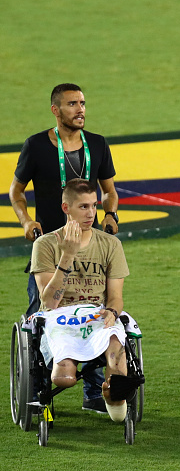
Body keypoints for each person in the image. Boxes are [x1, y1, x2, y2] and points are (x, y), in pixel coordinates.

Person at [9, 83, 120, 414]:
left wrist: (111, 215)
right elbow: (16, 192)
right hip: (50, 247)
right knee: (39, 313)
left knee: (96, 308)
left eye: (83, 103)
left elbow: (110, 191)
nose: (80, 109)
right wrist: (26, 222)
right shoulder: (36, 147)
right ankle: (37, 386)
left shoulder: (97, 145)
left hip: (92, 246)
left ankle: (93, 391)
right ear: (56, 110)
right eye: (72, 104)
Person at [30, 179, 130, 422]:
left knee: (116, 344)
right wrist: (68, 255)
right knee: (63, 379)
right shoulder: (44, 245)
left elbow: (116, 297)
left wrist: (112, 313)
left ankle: (114, 400)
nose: (91, 214)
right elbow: (50, 303)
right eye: (83, 207)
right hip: (60, 316)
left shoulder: (110, 244)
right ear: (66, 208)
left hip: (97, 315)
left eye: (94, 206)